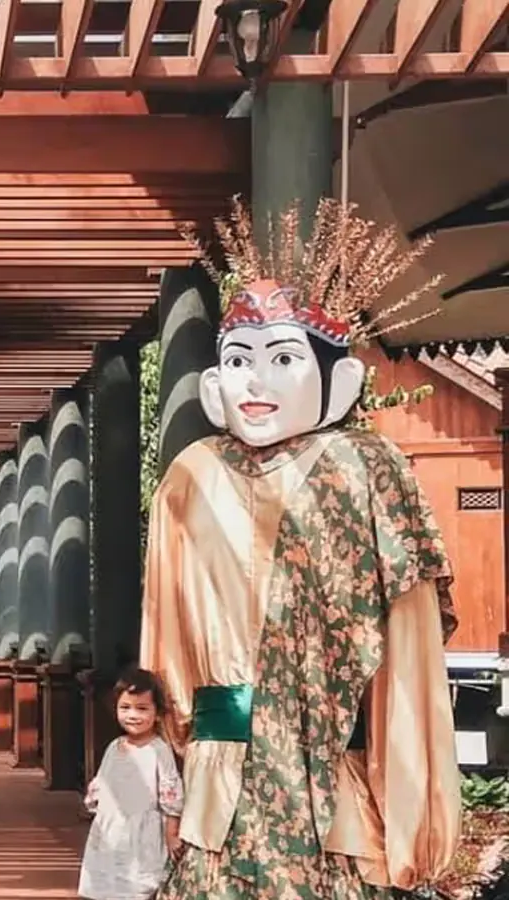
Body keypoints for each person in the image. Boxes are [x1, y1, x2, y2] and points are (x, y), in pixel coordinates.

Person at [144, 197, 460, 898]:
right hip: (219, 785)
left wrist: (414, 822)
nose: (256, 381)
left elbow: (409, 658)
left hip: (333, 786)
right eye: (239, 360)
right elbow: (163, 641)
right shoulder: (190, 476)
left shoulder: (370, 470)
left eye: (283, 357)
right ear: (216, 383)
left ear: (339, 381)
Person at [78, 668, 184, 900]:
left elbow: (170, 795)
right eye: (125, 708)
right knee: (106, 885)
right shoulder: (114, 747)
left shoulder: (159, 750)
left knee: (137, 886)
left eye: (142, 708)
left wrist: (171, 833)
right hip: (110, 831)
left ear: (157, 713)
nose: (133, 715)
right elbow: (101, 785)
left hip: (142, 834)